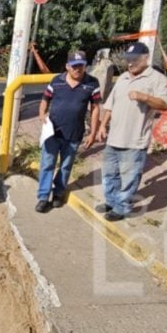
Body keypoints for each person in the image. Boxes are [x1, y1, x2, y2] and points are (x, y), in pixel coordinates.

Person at [97, 42, 167, 221]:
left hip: (134, 140)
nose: (130, 63)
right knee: (109, 174)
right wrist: (102, 126)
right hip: (113, 137)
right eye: (128, 59)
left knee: (129, 177)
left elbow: (165, 104)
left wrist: (144, 97)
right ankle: (111, 201)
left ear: (145, 58)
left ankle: (122, 208)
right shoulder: (123, 77)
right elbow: (110, 105)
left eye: (135, 59)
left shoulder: (156, 78)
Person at [35, 50, 101, 213]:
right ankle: (43, 197)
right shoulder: (56, 81)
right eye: (74, 66)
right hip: (52, 132)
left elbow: (95, 109)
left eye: (81, 66)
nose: (78, 69)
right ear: (67, 66)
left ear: (85, 66)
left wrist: (93, 133)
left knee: (66, 165)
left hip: (74, 133)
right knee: (47, 164)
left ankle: (58, 193)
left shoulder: (92, 83)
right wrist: (42, 114)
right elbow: (45, 99)